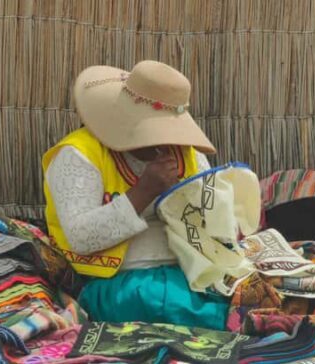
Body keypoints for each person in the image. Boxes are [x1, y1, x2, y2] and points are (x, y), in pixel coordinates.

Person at [42, 60, 229, 330]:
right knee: (157, 301)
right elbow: (81, 237)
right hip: (112, 281)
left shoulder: (190, 155)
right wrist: (143, 192)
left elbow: (214, 227)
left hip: (188, 273)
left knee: (232, 288)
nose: (166, 142)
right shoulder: (78, 154)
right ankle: (232, 322)